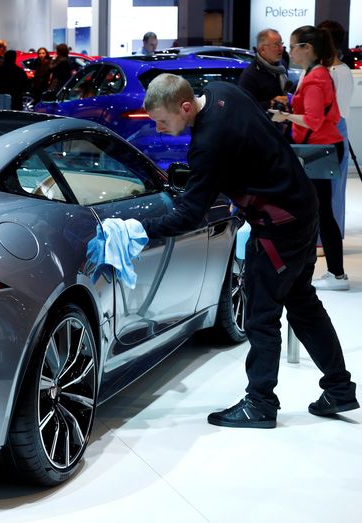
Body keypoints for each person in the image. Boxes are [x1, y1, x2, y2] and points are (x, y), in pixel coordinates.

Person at [142, 73, 358, 428]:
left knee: (261, 314)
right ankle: (339, 388)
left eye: (163, 122)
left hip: (279, 226)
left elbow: (190, 213)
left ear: (184, 106)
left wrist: (140, 230)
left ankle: (260, 403)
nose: (161, 130)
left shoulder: (208, 143)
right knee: (302, 302)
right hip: (301, 207)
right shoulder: (222, 92)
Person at [270, 25, 348, 291]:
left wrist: (285, 116)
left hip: (318, 149)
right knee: (319, 211)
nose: (289, 51)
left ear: (307, 48)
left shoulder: (316, 78)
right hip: (319, 148)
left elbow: (314, 121)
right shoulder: (315, 74)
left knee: (320, 212)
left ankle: (336, 274)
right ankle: (334, 273)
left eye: (292, 46)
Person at [317, 20, 354, 240]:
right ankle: (323, 237)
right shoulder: (324, 70)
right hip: (323, 130)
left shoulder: (338, 71)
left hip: (330, 131)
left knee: (331, 189)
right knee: (325, 189)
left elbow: (338, 109)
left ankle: (327, 238)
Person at [238, 29, 291, 116]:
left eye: (281, 44)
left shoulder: (282, 65)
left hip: (283, 123)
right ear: (263, 49)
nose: (281, 48)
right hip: (263, 126)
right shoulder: (250, 75)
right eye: (276, 45)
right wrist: (271, 103)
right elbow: (244, 107)